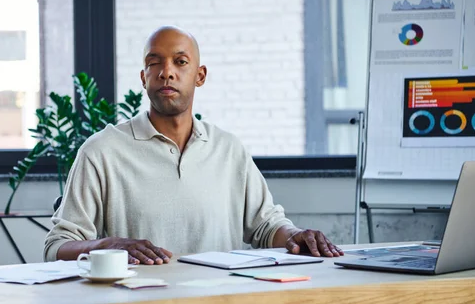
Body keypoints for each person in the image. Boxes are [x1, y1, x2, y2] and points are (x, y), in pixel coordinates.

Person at [44, 26, 344, 265]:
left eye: (180, 61)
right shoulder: (101, 152)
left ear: (199, 76)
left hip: (220, 299)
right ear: (143, 78)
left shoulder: (228, 149)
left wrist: (294, 235)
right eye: (154, 62)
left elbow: (265, 226)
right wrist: (106, 245)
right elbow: (56, 246)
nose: (167, 72)